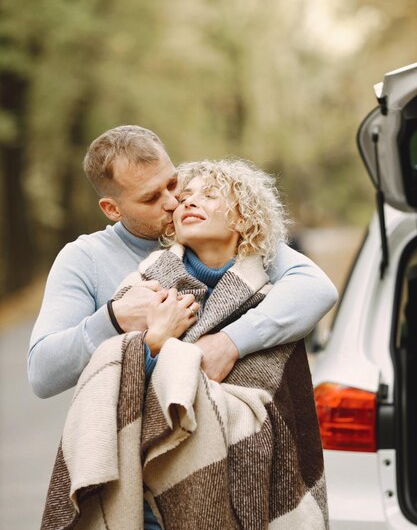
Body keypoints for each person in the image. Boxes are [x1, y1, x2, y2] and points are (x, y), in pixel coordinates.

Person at [30, 158, 334, 530]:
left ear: (244, 217)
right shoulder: (145, 287)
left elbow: (276, 403)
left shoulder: (274, 294)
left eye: (209, 196)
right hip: (148, 497)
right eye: (185, 197)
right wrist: (155, 343)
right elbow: (110, 385)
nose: (186, 201)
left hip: (249, 490)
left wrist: (226, 346)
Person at [28, 125, 337, 400]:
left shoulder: (224, 232)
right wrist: (114, 318)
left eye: (173, 183)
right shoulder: (85, 258)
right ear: (112, 209)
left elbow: (315, 289)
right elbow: (42, 372)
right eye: (151, 198)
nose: (173, 202)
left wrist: (230, 342)